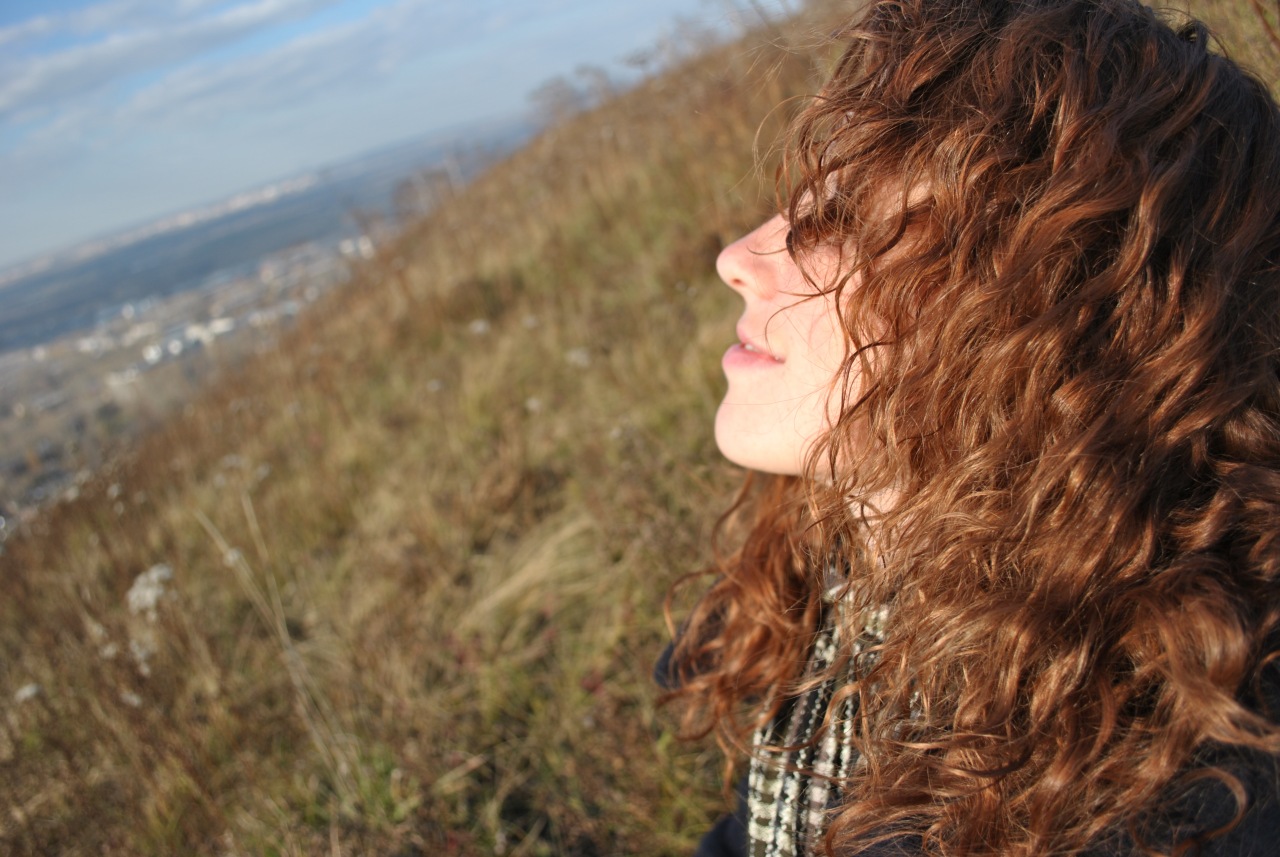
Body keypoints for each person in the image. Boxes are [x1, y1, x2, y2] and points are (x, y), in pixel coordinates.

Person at [659, 0, 1280, 853]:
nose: (737, 258)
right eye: (794, 207)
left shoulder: (1170, 790)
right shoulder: (846, 581)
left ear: (1054, 324)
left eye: (846, 225)